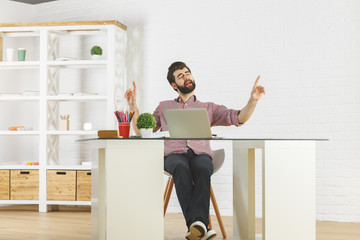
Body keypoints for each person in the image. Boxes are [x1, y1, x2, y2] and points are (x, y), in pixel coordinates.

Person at [125, 61, 265, 240]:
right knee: (180, 168)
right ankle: (200, 225)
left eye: (187, 72)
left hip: (200, 154)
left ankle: (196, 226)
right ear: (174, 85)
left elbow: (238, 118)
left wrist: (252, 101)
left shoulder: (209, 108)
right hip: (173, 155)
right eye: (180, 76)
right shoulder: (164, 107)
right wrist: (133, 106)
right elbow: (142, 130)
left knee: (203, 168)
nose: (186, 77)